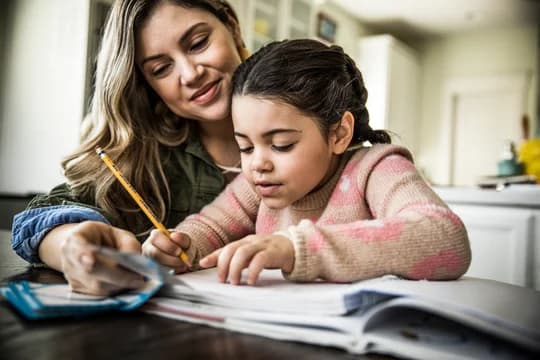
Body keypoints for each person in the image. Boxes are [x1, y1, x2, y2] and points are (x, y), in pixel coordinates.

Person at [142, 39, 471, 285]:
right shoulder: (257, 184)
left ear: (339, 133)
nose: (258, 163)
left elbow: (445, 238)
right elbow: (209, 227)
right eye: (244, 147)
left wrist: (296, 247)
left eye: (281, 145)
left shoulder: (376, 169)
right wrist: (182, 245)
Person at [11, 0, 248, 295]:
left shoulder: (313, 110)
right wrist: (73, 248)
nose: (190, 74)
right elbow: (35, 220)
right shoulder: (145, 159)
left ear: (233, 27)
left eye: (198, 43)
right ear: (147, 83)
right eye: (161, 68)